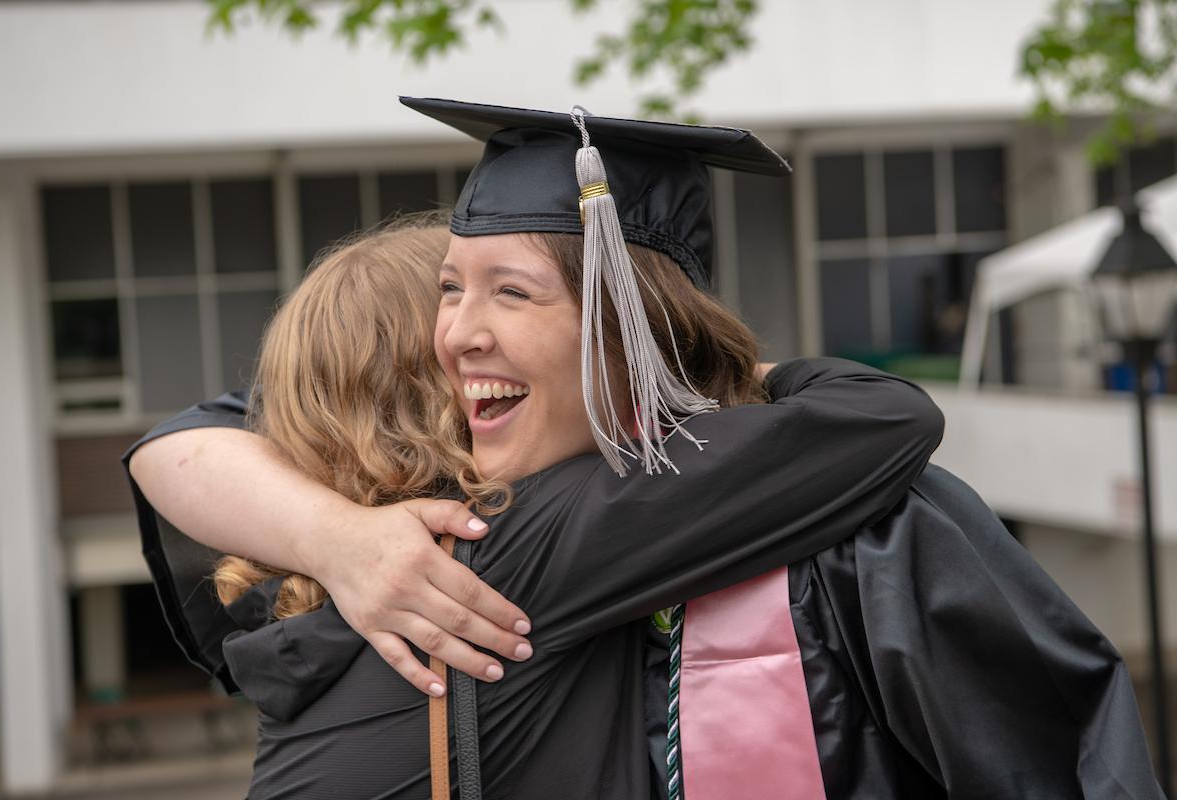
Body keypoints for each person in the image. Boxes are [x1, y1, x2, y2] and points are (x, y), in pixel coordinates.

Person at [126, 99, 1161, 799]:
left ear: (622, 321)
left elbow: (177, 443)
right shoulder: (489, 550)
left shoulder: (300, 610)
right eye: (449, 291)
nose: (462, 334)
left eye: (508, 290)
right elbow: (884, 413)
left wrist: (334, 535)